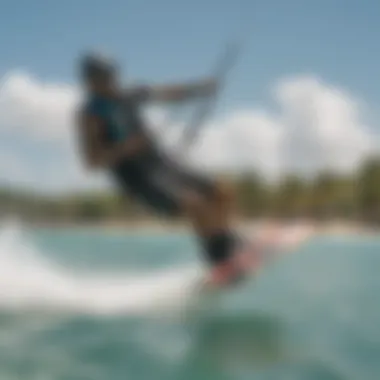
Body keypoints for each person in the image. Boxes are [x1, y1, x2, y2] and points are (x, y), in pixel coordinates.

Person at [76, 52, 246, 285]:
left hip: (162, 163)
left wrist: (201, 89)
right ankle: (219, 258)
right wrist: (129, 146)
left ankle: (228, 243)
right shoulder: (90, 114)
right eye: (99, 79)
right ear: (89, 81)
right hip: (137, 177)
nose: (106, 83)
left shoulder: (131, 95)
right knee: (194, 203)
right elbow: (92, 162)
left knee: (221, 191)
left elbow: (168, 93)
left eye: (109, 76)